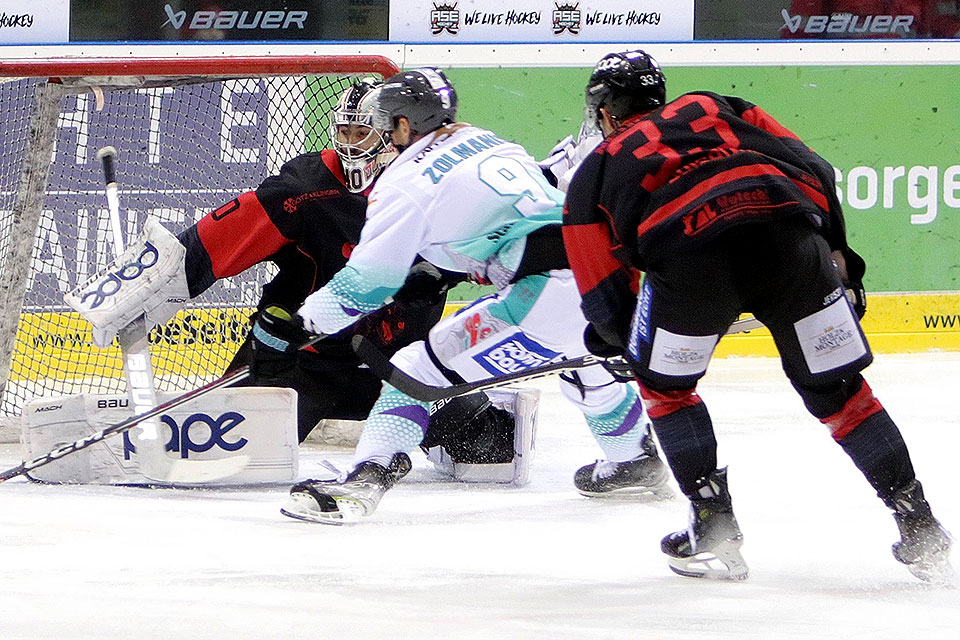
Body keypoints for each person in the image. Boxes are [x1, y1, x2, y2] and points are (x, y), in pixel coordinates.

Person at [562, 50, 953, 583]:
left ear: (605, 112)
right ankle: (920, 524)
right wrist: (842, 263)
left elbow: (601, 284)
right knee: (840, 392)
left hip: (690, 261)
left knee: (667, 391)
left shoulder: (596, 167)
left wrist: (621, 339)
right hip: (789, 242)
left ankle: (713, 529)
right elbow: (815, 167)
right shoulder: (715, 105)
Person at [280, 67, 669, 525]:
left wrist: (303, 324)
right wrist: (439, 270)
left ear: (406, 125)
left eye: (387, 122)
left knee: (415, 369)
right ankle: (633, 459)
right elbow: (512, 211)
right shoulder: (487, 140)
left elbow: (368, 283)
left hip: (547, 294)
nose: (383, 133)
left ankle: (362, 482)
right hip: (612, 279)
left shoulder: (402, 184)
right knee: (583, 364)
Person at [176, 78, 514, 453]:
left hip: (402, 369)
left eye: (362, 132)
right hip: (307, 365)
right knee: (221, 452)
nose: (351, 143)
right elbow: (212, 244)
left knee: (492, 448)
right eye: (344, 131)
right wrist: (151, 279)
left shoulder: (438, 185)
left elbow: (502, 253)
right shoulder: (304, 187)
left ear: (390, 134)